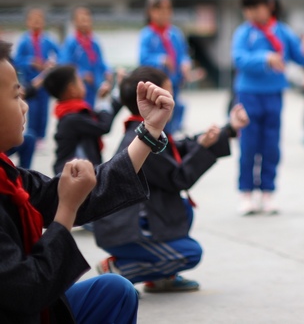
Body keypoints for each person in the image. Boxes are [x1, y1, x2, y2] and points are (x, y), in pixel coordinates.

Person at [0, 39, 174, 323]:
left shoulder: (7, 175)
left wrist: (150, 129)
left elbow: (83, 192)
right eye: (15, 96)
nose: (25, 107)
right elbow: (27, 291)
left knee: (114, 291)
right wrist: (66, 211)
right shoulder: (73, 117)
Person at [94, 66, 249, 293]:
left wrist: (228, 129)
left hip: (131, 223)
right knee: (190, 253)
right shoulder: (140, 142)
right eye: (168, 90)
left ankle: (162, 277)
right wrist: (204, 147)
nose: (173, 97)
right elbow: (178, 178)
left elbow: (181, 146)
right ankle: (119, 270)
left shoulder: (143, 130)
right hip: (126, 230)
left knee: (182, 209)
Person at [232, 0, 304, 215]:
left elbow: (299, 57)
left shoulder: (282, 31)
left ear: (269, 6)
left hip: (274, 94)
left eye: (256, 7)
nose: (251, 13)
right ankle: (246, 193)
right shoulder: (244, 32)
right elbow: (238, 58)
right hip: (248, 94)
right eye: (247, 9)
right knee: (248, 145)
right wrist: (265, 58)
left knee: (271, 145)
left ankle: (268, 192)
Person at [42, 64, 119, 176]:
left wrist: (115, 96)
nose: (83, 84)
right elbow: (103, 126)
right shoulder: (72, 119)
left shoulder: (74, 113)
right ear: (72, 89)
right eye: (80, 81)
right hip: (75, 177)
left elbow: (103, 116)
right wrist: (102, 101)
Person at [139, 0, 191, 134]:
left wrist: (185, 63)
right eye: (159, 9)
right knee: (159, 123)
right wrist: (160, 59)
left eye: (168, 9)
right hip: (157, 88)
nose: (164, 13)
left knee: (174, 118)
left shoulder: (175, 33)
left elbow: (183, 54)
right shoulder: (147, 34)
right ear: (150, 11)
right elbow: (143, 59)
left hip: (174, 84)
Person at [14, 7, 59, 158]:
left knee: (44, 112)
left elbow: (59, 55)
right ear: (28, 22)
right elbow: (17, 60)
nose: (37, 23)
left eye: (39, 20)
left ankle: (41, 138)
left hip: (44, 83)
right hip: (30, 83)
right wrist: (31, 62)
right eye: (34, 20)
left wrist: (51, 63)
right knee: (31, 110)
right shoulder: (24, 41)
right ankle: (31, 136)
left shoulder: (48, 40)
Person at [59, 6, 112, 107]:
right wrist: (82, 75)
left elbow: (101, 61)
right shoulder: (71, 42)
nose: (85, 23)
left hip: (94, 86)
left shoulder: (94, 42)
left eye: (88, 19)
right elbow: (64, 64)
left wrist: (107, 71)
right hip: (78, 88)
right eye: (82, 20)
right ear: (74, 22)